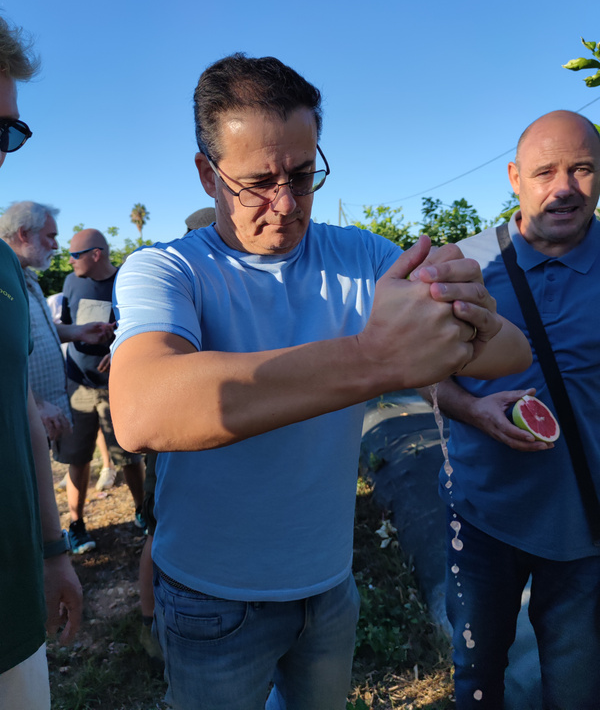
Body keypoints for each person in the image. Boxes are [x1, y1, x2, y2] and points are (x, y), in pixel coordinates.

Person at [109, 53, 531, 710]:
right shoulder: (167, 272)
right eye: (258, 182)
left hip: (328, 584)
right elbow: (143, 409)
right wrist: (374, 359)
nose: (285, 203)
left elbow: (507, 353)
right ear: (206, 175)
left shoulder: (361, 257)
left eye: (303, 175)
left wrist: (473, 313)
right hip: (211, 596)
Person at [429, 110, 600, 709]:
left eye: (581, 169)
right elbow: (426, 376)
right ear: (513, 177)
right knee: (476, 682)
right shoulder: (462, 267)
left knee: (577, 691)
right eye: (544, 171)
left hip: (585, 529)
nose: (563, 188)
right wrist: (472, 411)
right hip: (481, 518)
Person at [0, 16, 82, 710]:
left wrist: (53, 551)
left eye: (6, 133)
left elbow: (15, 403)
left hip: (12, 615)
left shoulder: (4, 271)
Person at [138, 206, 216, 666]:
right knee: (159, 526)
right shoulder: (174, 277)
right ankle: (151, 622)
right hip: (172, 432)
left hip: (200, 433)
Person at [59, 228, 145, 554]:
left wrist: (121, 345)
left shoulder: (128, 281)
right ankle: (76, 525)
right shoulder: (71, 282)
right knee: (77, 458)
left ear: (96, 255)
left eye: (75, 255)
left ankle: (141, 512)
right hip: (78, 383)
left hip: (116, 385)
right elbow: (65, 327)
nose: (69, 261)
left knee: (128, 455)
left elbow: (141, 328)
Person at [0, 201, 114, 444]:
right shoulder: (3, 281)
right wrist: (37, 403)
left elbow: (33, 336)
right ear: (23, 234)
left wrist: (79, 332)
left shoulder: (26, 275)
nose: (55, 245)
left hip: (41, 420)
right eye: (50, 236)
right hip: (23, 420)